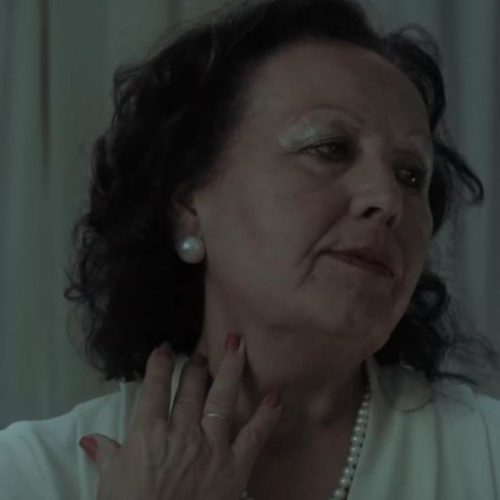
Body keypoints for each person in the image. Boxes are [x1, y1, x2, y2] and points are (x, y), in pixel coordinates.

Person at [1, 0, 499, 498]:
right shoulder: (32, 475)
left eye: (411, 176)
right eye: (329, 148)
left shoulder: (486, 456)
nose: (388, 200)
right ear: (189, 207)